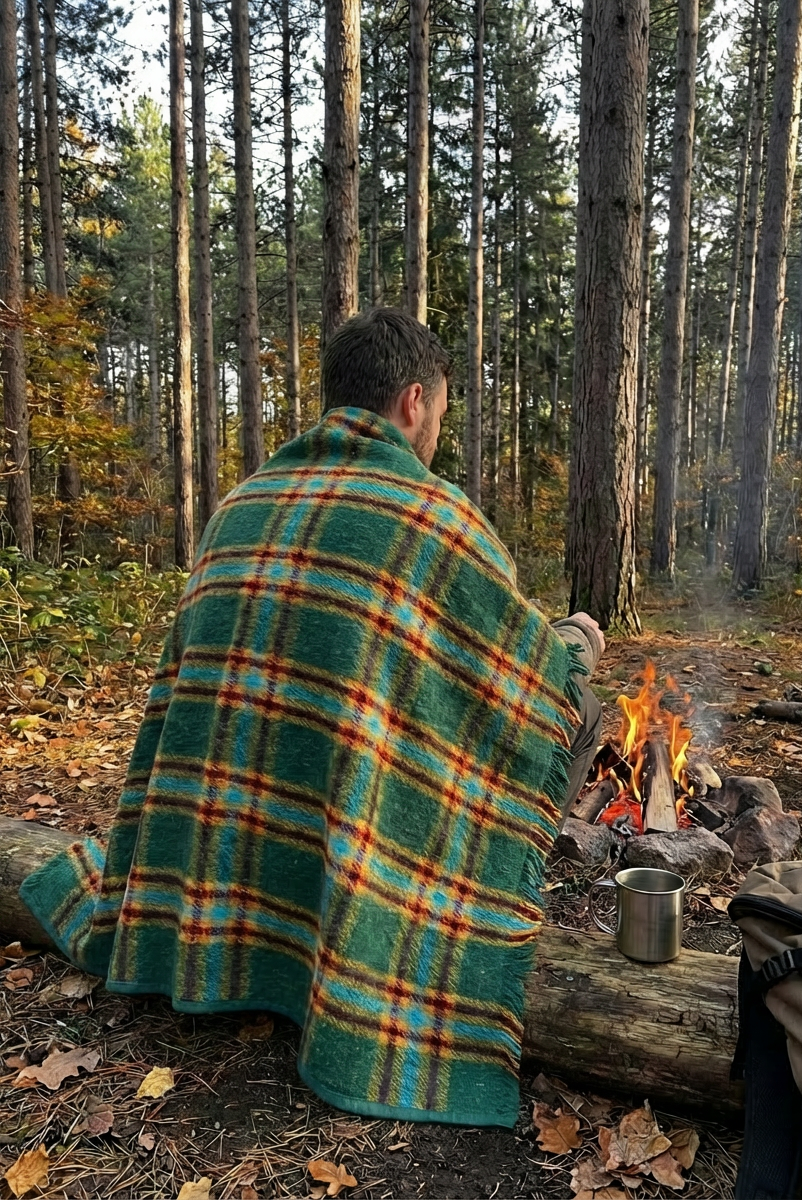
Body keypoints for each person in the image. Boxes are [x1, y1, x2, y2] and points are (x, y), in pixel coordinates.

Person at [21, 308, 603, 1128]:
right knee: (570, 707)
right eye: (438, 413)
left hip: (208, 853)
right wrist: (575, 642)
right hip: (337, 830)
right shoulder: (433, 516)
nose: (435, 431)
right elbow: (517, 680)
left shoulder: (241, 503)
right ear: (412, 402)